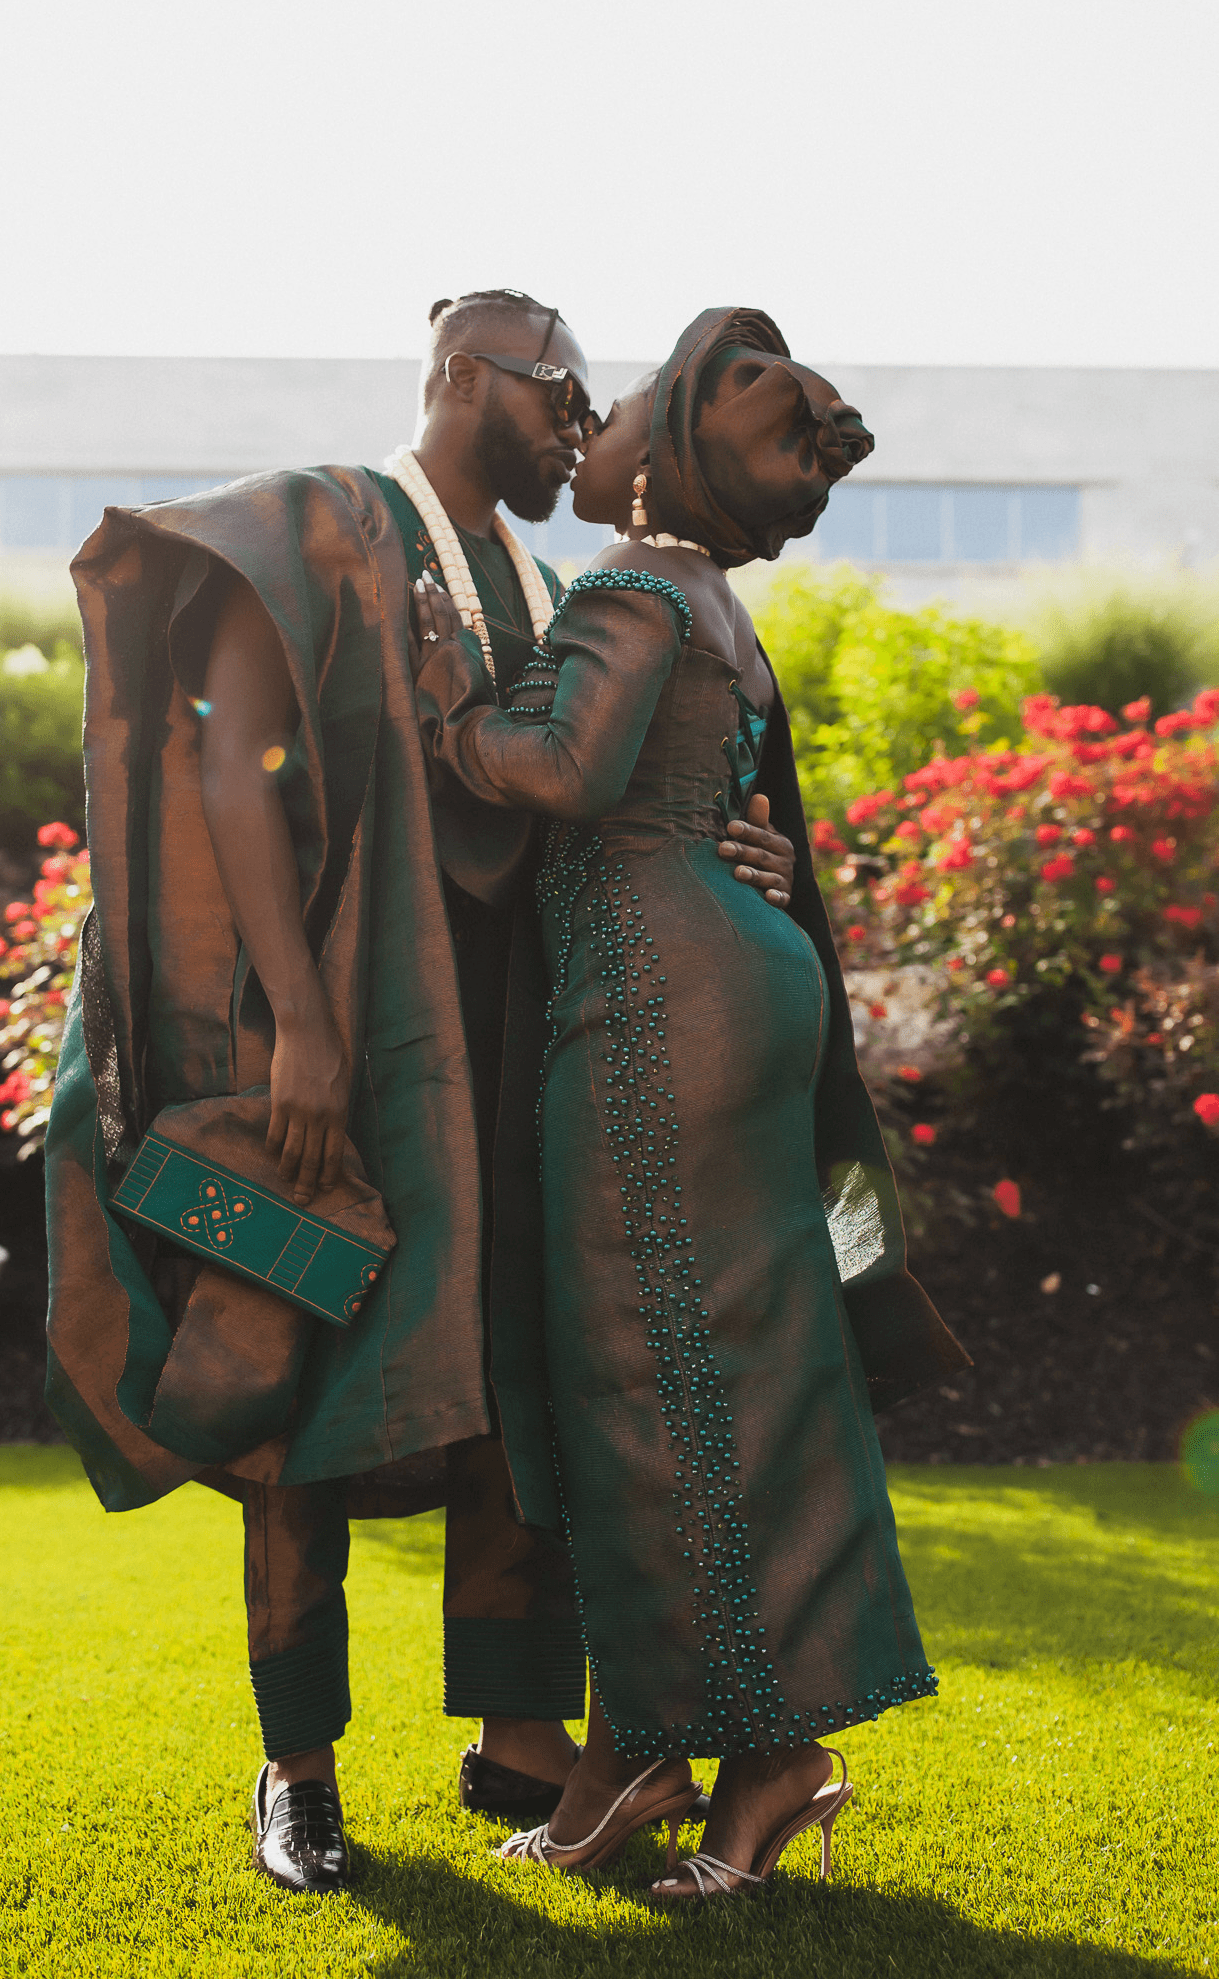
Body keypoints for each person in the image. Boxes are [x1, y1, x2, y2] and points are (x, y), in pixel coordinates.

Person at [45, 290, 796, 1894]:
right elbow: (230, 752)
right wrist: (302, 1023)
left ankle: (521, 1738)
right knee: (294, 1382)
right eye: (559, 395)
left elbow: (612, 781)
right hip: (341, 1039)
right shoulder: (314, 524)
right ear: (464, 372)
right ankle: (298, 1768)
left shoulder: (554, 584)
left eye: (591, 406)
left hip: (519, 1043)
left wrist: (737, 849)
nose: (582, 430)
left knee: (521, 1385)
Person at [411, 305, 970, 1900]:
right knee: (714, 1375)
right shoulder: (714, 602)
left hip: (660, 1004)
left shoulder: (636, 581)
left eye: (623, 397)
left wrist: (456, 707)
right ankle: (665, 1751)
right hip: (730, 977)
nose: (589, 420)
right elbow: (700, 790)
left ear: (656, 451)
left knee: (649, 1382)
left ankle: (735, 1755)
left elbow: (569, 772)